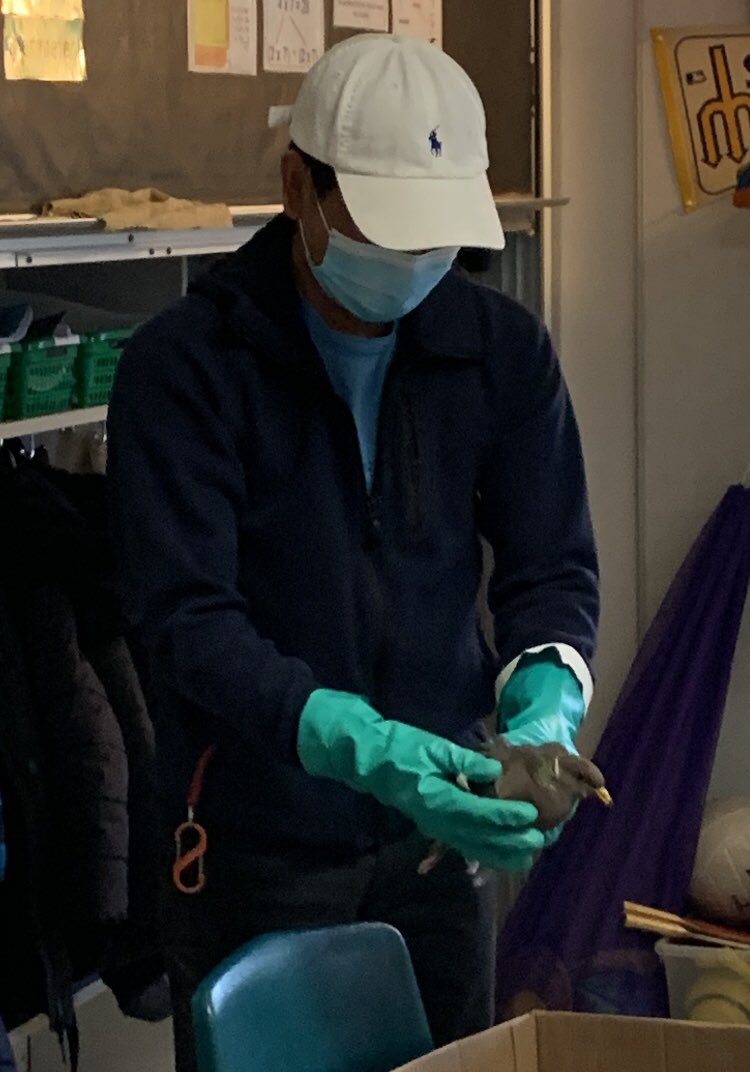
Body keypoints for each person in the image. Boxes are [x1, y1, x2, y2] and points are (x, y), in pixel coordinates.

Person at [108, 33, 599, 1072]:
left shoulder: (500, 352)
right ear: (298, 187)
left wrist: (543, 697)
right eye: (386, 229)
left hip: (435, 848)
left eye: (436, 236)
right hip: (255, 839)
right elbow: (185, 617)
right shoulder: (188, 368)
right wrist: (355, 741)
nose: (413, 264)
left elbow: (549, 567)